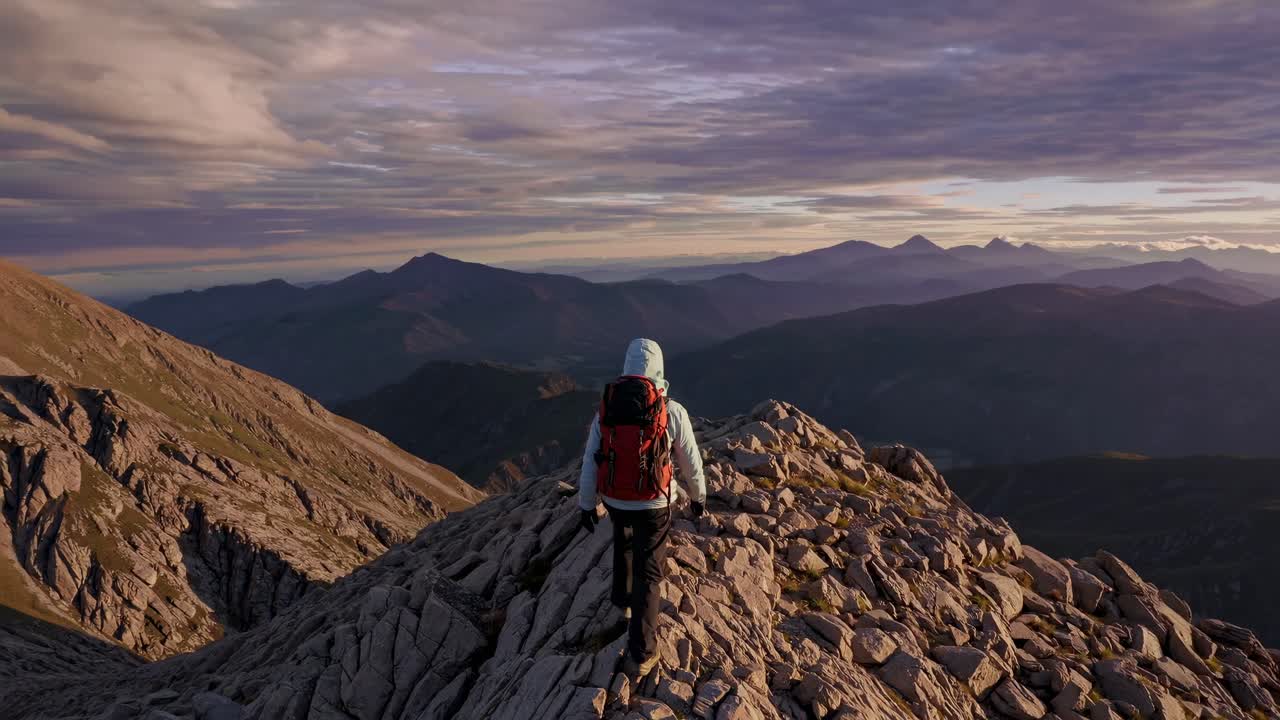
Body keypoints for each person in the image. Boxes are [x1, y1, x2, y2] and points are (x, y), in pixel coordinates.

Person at [577, 338, 706, 676]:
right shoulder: (671, 410)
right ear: (658, 370)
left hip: (615, 499)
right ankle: (642, 652)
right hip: (654, 502)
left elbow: (591, 461)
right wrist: (698, 496)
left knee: (623, 537)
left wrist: (586, 503)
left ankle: (622, 602)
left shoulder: (607, 407)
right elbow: (690, 460)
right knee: (650, 571)